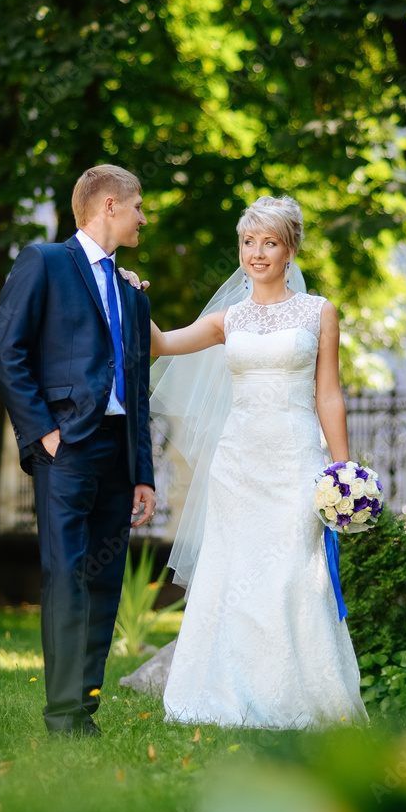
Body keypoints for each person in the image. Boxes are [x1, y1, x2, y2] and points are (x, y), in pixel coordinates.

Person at [136, 195, 368, 729]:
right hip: (237, 465)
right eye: (248, 242)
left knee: (293, 575)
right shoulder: (228, 319)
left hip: (295, 462)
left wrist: (343, 470)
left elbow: (328, 395)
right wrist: (131, 298)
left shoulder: (319, 312)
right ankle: (225, 694)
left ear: (290, 251)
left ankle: (301, 700)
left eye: (269, 243)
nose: (256, 253)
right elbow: (163, 344)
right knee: (232, 574)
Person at [0, 164, 156, 738]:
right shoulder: (45, 261)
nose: (143, 216)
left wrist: (144, 473)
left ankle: (84, 708)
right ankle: (61, 715)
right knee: (65, 577)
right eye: (138, 206)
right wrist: (43, 433)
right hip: (65, 449)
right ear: (109, 206)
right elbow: (6, 351)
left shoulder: (134, 293)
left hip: (117, 451)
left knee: (105, 580)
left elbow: (138, 388)